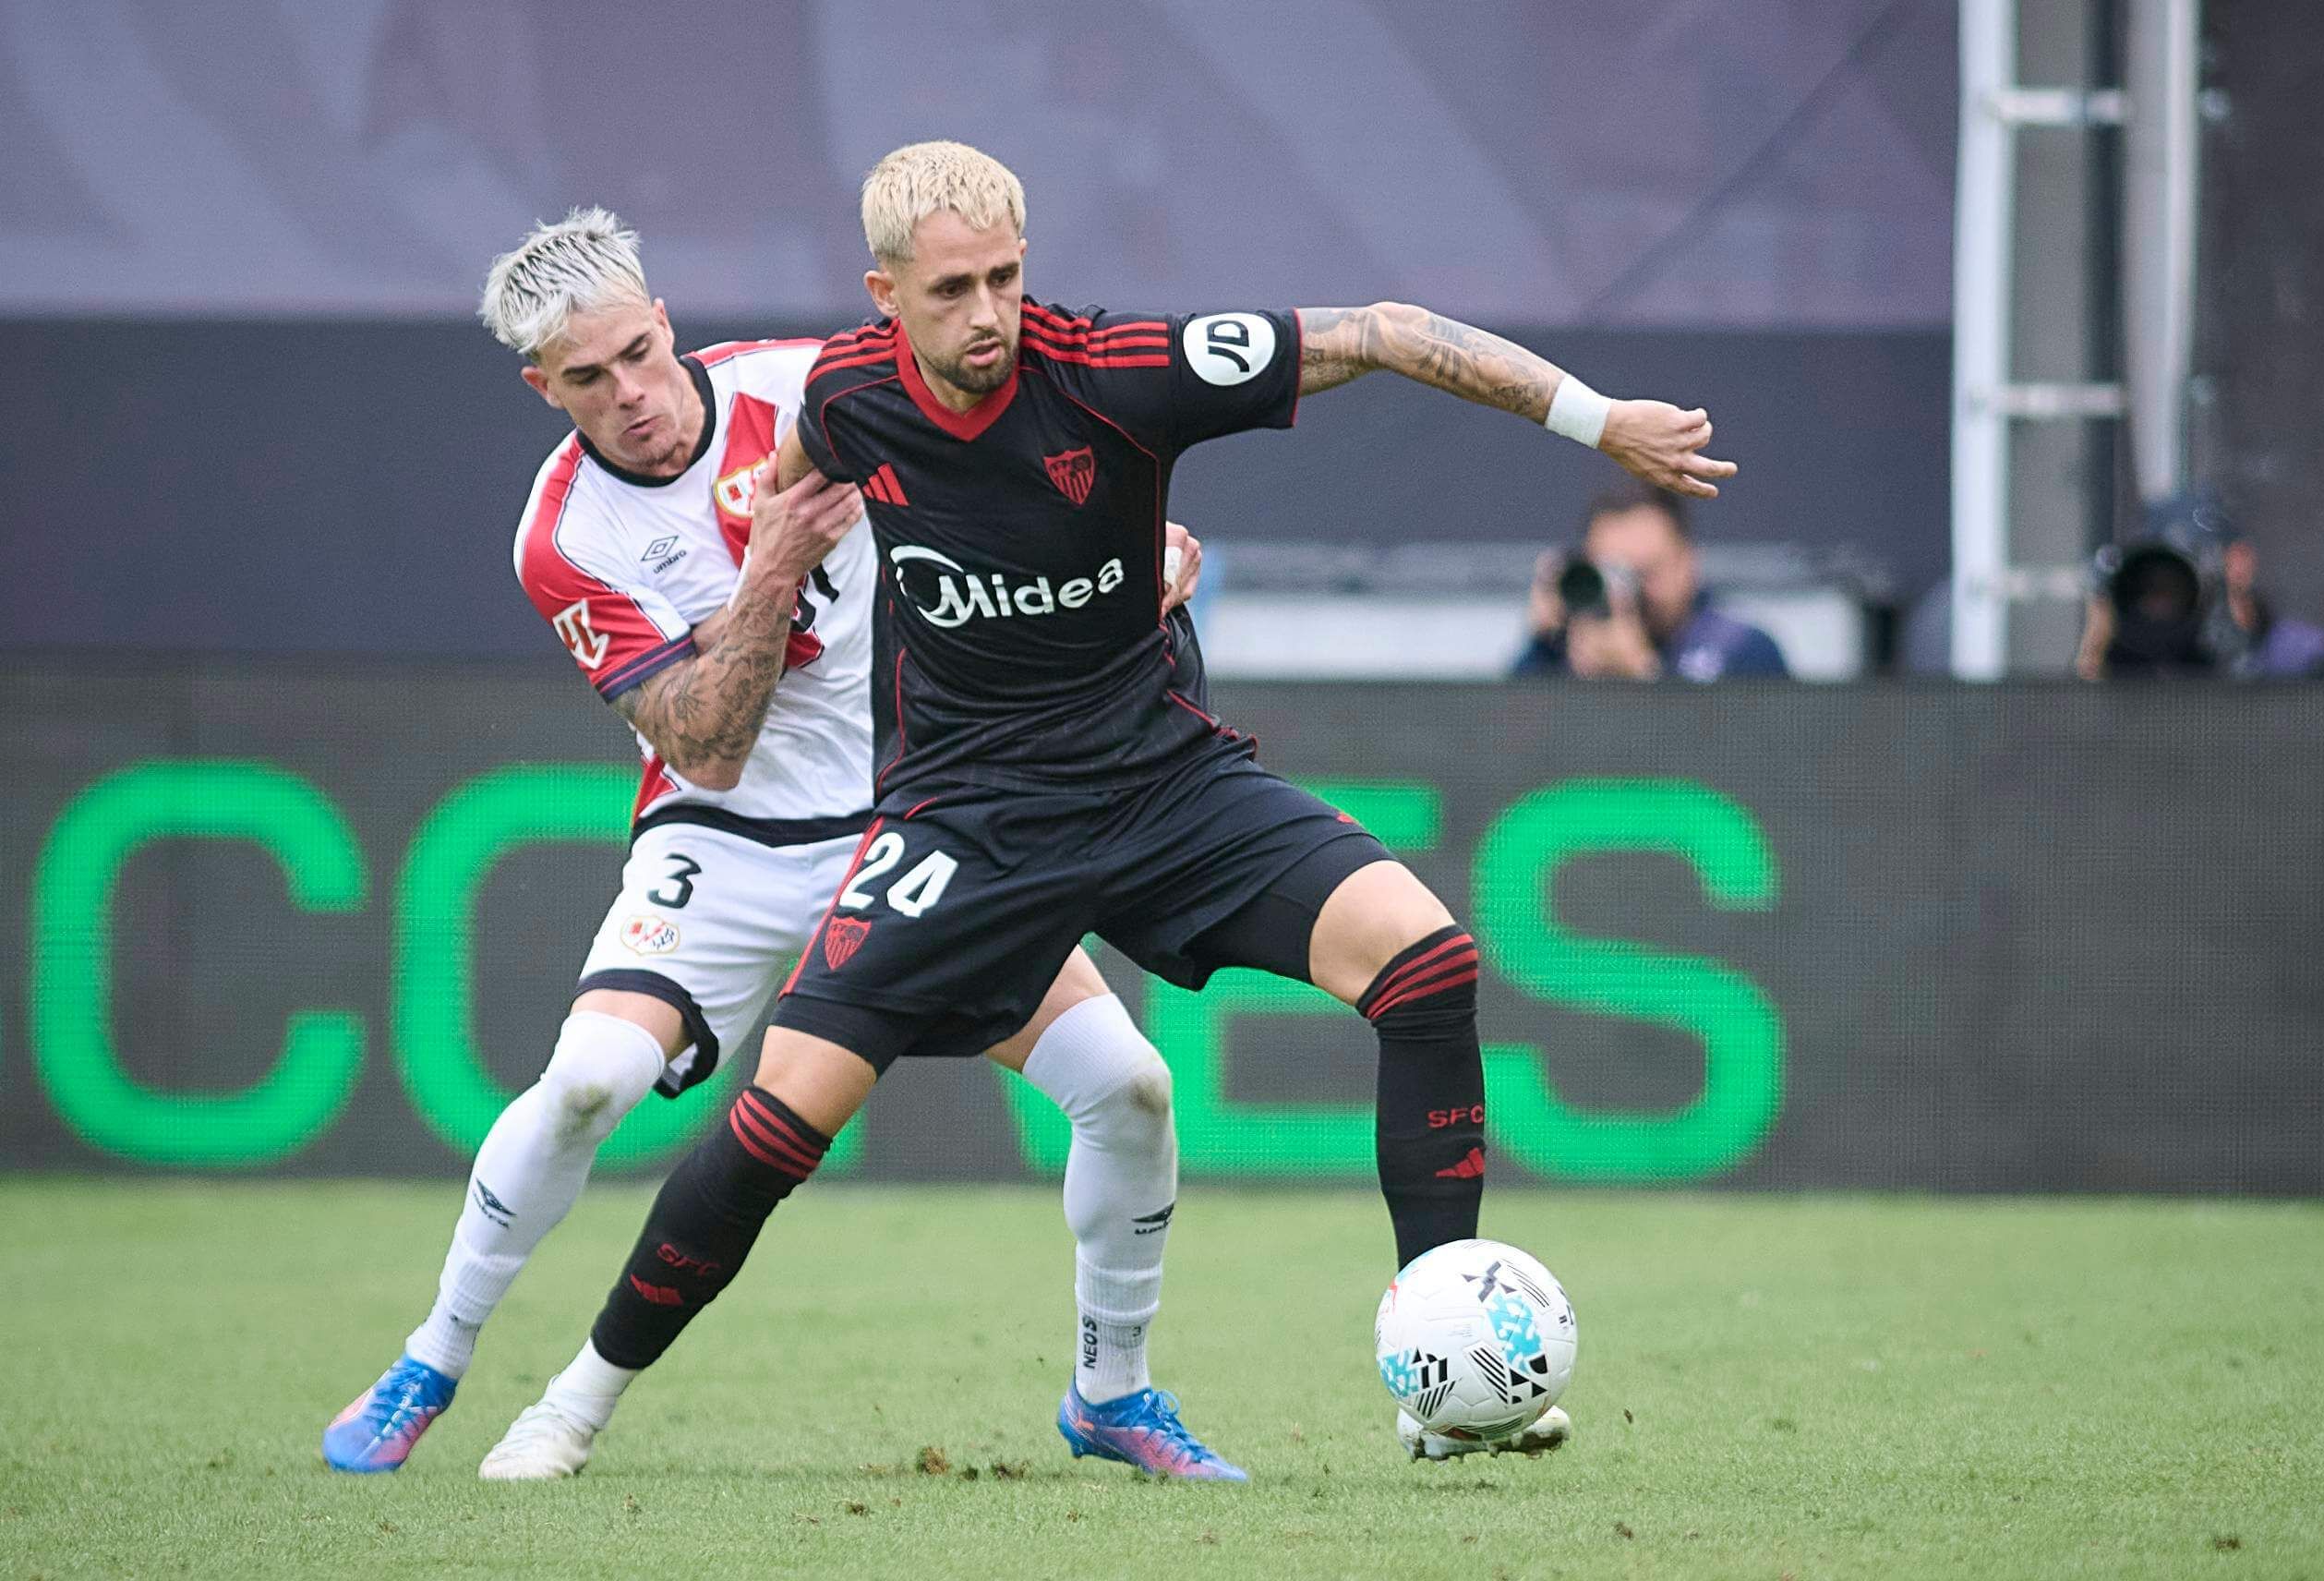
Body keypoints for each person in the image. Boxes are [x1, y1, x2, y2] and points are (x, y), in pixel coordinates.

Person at [541, 141, 1736, 1472]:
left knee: (1430, 963)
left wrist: (1601, 420)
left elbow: (1390, 332)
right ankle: (574, 1402)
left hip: (1162, 779)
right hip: (968, 815)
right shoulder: (845, 398)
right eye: (951, 291)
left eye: (1005, 276)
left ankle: (1440, 1376)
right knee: (781, 1119)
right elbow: (811, 483)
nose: (987, 314)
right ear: (885, 294)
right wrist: (779, 561)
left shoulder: (1117, 369)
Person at [322, 209, 1213, 1480]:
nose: (634, 395)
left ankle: (1112, 1391)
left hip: (917, 820)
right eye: (589, 377)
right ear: (542, 387)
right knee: (584, 1087)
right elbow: (707, 747)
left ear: (665, 321)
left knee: (1128, 1086)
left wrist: (1134, 559)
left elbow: (1019, 478)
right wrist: (773, 566)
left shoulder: (809, 389)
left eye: (640, 351)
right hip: (727, 841)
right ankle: (436, 1355)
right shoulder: (566, 534)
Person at [1511, 480, 1788, 681]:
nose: (1628, 593)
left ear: (1688, 562)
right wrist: (1543, 645)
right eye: (1612, 573)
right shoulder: (1563, 652)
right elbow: (1502, 744)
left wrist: (1641, 675)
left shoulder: (1743, 649)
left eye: (1646, 572)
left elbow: (1752, 752)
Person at [2076, 497, 2324, 680]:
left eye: (2178, 586)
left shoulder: (2307, 662)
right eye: (2149, 591)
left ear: (2240, 561)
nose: (2163, 604)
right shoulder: (2131, 671)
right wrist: (2097, 652)